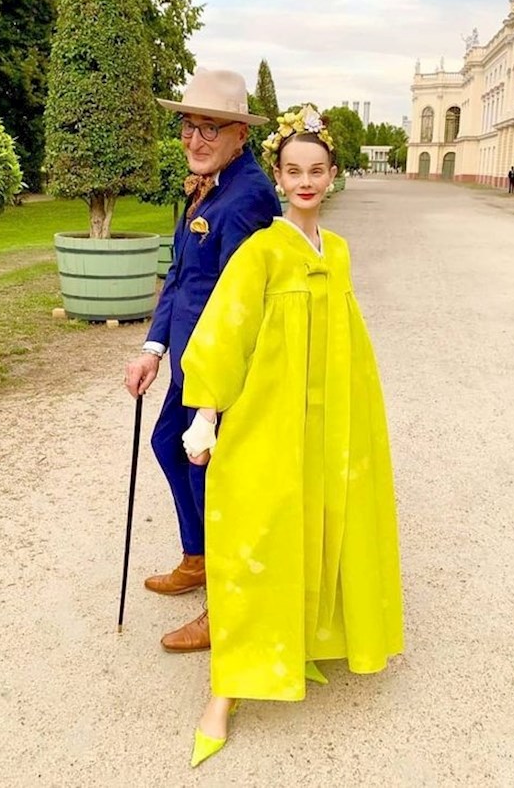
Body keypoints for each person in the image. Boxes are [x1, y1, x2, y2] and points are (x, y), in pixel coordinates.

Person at [178, 106, 404, 767]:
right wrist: (205, 414)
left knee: (324, 526)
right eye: (294, 170)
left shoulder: (339, 252)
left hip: (332, 420)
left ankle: (304, 640)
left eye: (316, 170)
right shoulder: (262, 252)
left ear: (332, 175)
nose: (305, 181)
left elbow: (347, 339)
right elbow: (226, 332)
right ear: (277, 176)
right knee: (258, 535)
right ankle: (224, 691)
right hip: (271, 419)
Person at [124, 69, 281, 652]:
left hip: (219, 370)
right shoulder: (208, 184)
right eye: (189, 126)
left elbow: (241, 301)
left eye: (210, 127)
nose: (194, 139)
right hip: (189, 361)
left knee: (211, 472)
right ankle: (198, 558)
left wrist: (215, 397)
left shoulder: (248, 197)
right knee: (168, 445)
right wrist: (153, 348)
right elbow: (182, 275)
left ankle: (227, 601)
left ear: (241, 134)